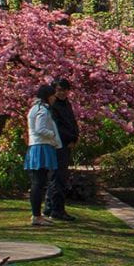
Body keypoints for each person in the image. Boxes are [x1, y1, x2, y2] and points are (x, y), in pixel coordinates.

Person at [25, 84, 62, 227]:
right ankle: (36, 215)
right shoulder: (41, 110)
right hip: (41, 146)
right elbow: (40, 129)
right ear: (48, 96)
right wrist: (52, 135)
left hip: (39, 146)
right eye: (53, 95)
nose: (54, 98)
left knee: (39, 182)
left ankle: (37, 214)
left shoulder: (38, 108)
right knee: (38, 182)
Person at [45, 78, 79, 222]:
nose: (62, 93)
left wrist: (75, 137)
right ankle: (56, 209)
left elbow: (71, 122)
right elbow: (57, 127)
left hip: (67, 144)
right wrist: (70, 138)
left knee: (59, 176)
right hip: (59, 145)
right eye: (59, 90)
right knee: (58, 177)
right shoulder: (53, 106)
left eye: (65, 90)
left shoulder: (66, 104)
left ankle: (50, 207)